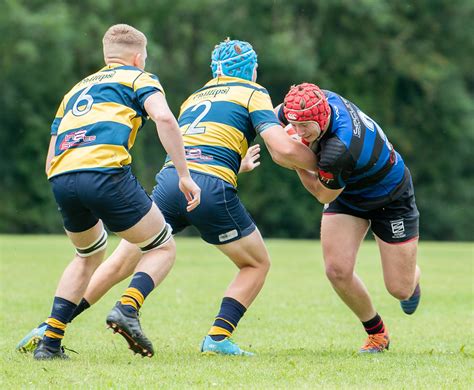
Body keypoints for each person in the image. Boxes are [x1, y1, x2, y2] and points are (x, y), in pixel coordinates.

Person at [18, 38, 317, 356]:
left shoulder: (195, 97)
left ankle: (52, 325)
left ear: (215, 70)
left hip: (170, 181)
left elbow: (195, 142)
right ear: (252, 70)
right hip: (208, 186)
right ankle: (215, 337)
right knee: (256, 263)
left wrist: (234, 162)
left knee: (120, 261)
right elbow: (282, 148)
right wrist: (324, 167)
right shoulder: (253, 92)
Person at [29, 24, 201, 360]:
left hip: (63, 176)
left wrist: (66, 180)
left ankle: (49, 344)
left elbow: (51, 154)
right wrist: (184, 174)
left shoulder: (75, 90)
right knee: (162, 247)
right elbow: (164, 118)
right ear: (138, 57)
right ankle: (127, 308)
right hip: (105, 173)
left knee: (88, 256)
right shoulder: (139, 78)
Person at [276, 83, 422, 353]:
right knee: (337, 271)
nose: (297, 132)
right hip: (349, 193)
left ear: (321, 117)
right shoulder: (310, 101)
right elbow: (269, 122)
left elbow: (322, 194)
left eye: (305, 126)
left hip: (390, 196)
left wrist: (294, 160)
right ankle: (377, 334)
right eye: (293, 124)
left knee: (400, 289)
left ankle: (413, 276)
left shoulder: (339, 149)